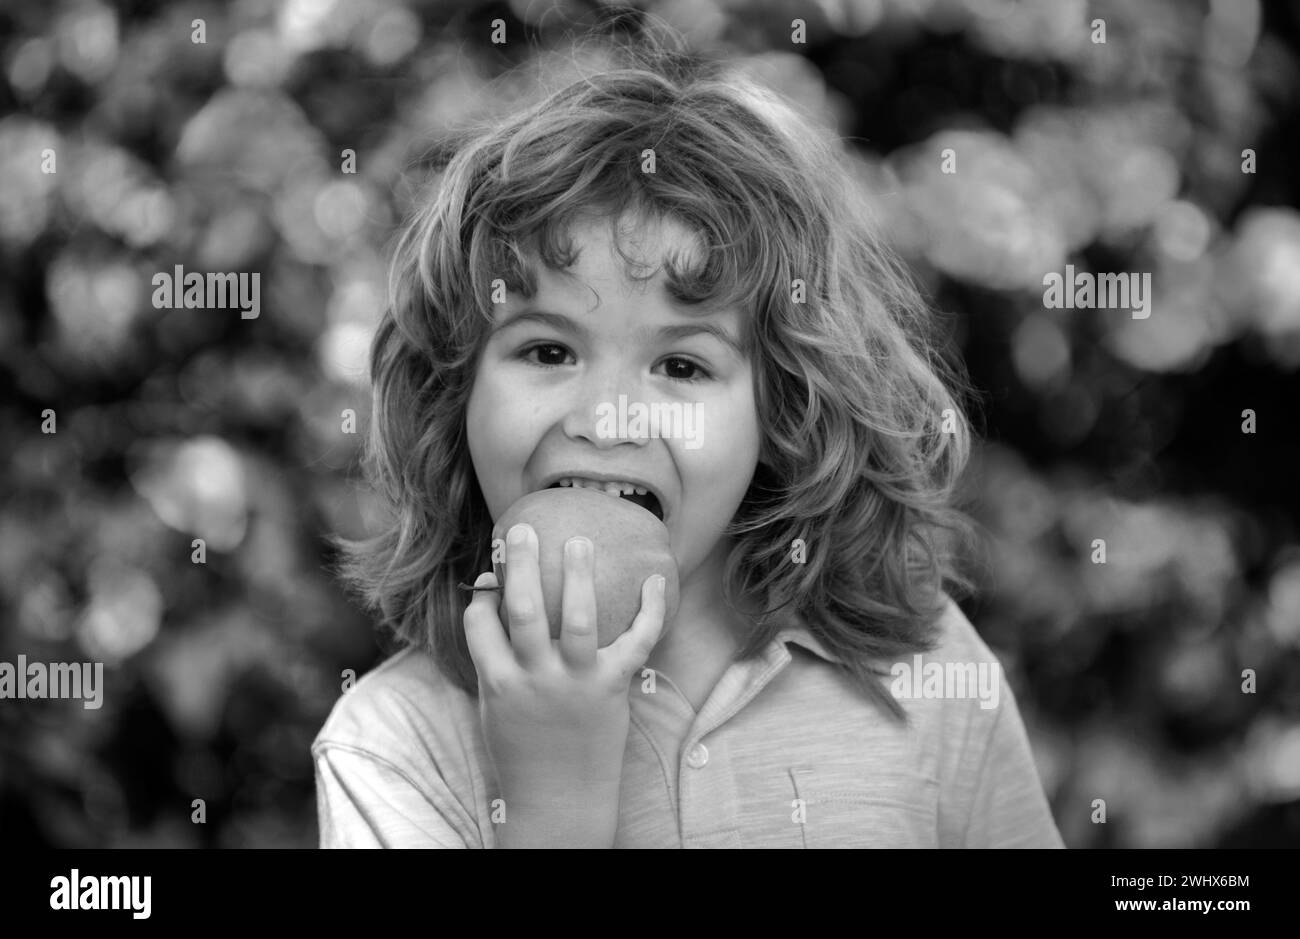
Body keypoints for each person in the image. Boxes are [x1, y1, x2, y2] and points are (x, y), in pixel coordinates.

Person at [313, 40, 1064, 849]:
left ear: (784, 411)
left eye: (681, 364)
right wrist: (557, 802)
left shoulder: (928, 670)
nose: (607, 419)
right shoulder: (393, 746)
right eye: (548, 350)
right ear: (454, 392)